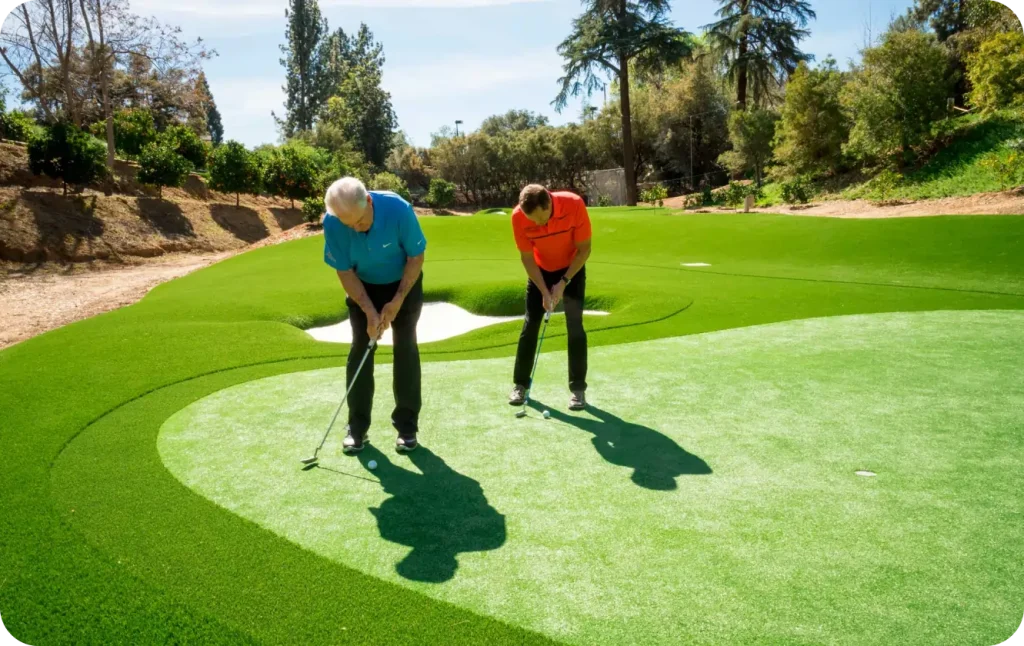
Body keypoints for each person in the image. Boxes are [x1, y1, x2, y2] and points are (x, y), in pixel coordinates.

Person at [322, 177, 427, 453]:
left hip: (404, 282)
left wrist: (397, 302)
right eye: (349, 225)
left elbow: (416, 257)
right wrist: (369, 310)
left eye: (359, 221)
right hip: (362, 285)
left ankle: (407, 427)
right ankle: (356, 428)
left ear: (368, 201)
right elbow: (344, 271)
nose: (356, 229)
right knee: (362, 348)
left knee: (405, 348)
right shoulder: (333, 222)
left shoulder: (398, 209)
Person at [508, 184, 592, 411]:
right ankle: (520, 384)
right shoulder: (518, 217)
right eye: (531, 219)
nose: (536, 224)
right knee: (530, 323)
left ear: (549, 204)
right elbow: (527, 259)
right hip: (540, 271)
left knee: (575, 326)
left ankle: (578, 389)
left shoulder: (573, 204)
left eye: (540, 218)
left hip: (572, 268)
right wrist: (545, 291)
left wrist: (563, 283)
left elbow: (585, 249)